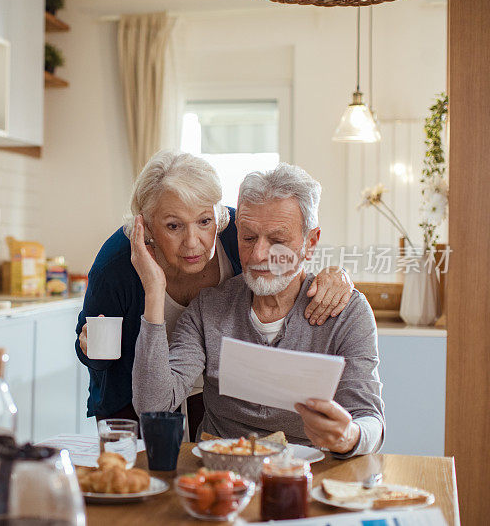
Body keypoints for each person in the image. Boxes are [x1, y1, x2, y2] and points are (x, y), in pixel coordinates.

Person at [75, 150, 356, 436]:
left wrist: (337, 274)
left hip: (213, 394)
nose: (193, 242)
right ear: (146, 226)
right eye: (173, 226)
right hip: (133, 398)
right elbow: (94, 349)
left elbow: (287, 258)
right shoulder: (116, 265)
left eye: (204, 221)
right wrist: (95, 350)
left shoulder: (240, 233)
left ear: (218, 215)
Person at [131, 163, 384, 456]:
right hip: (220, 476)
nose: (259, 255)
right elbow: (153, 405)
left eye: (277, 240)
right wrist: (153, 291)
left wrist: (349, 436)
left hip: (305, 475)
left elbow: (371, 421)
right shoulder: (208, 307)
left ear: (310, 243)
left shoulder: (347, 311)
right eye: (248, 238)